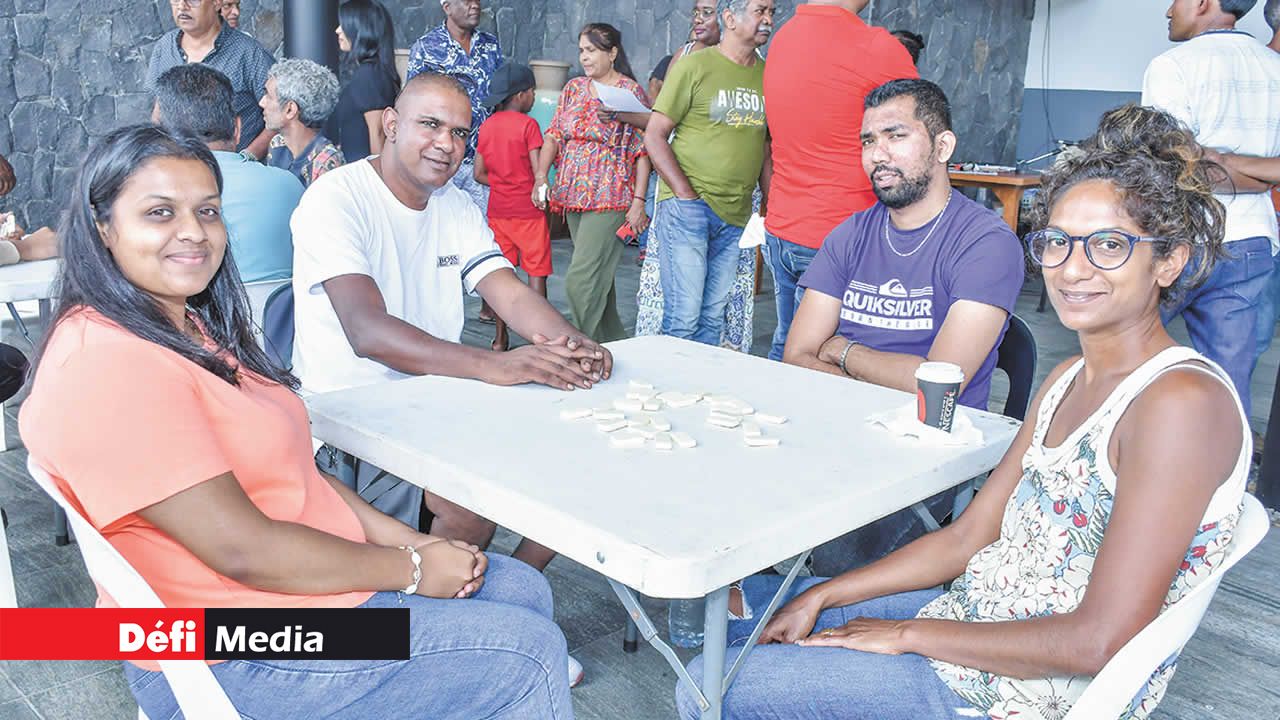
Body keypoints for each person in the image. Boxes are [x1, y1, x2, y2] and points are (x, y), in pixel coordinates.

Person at [678, 103, 1249, 720]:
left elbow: (1098, 640)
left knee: (711, 686)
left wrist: (905, 636)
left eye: (1109, 245)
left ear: (1170, 260)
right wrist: (825, 593)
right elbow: (972, 535)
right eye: (1057, 241)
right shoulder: (1068, 378)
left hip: (1023, 690)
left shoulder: (1178, 404)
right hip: (979, 613)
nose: (1072, 268)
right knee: (739, 630)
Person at [19, 124, 575, 720]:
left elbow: (295, 475)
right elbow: (243, 550)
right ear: (103, 227)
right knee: (529, 655)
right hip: (230, 645)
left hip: (282, 598)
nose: (194, 232)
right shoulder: (107, 362)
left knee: (521, 588)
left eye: (208, 211)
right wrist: (411, 570)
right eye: (160, 213)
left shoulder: (179, 327)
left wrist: (412, 540)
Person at [783, 79, 1023, 575]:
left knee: (830, 557)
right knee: (738, 499)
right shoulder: (851, 234)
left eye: (895, 136)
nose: (877, 154)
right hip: (836, 432)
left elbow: (939, 386)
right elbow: (798, 355)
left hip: (929, 457)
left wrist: (844, 351)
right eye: (868, 141)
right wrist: (887, 378)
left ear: (942, 146)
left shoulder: (985, 242)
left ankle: (769, 621)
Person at [1141, 0, 1280, 416]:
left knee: (1122, 353)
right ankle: (1218, 472)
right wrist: (1261, 181)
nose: (1168, 10)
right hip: (1252, 241)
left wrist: (1215, 160)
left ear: (1203, 2)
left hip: (1179, 239)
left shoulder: (1173, 65)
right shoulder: (1274, 68)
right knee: (1228, 380)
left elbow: (1174, 167)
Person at [761, 0, 919, 360]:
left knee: (788, 345)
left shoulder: (783, 37)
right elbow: (919, 132)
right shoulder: (879, 48)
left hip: (783, 226)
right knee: (823, 361)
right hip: (840, 233)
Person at [645, 0, 774, 345]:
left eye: (771, 12)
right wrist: (685, 195)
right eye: (760, 10)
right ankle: (669, 393)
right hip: (689, 210)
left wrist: (769, 207)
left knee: (711, 319)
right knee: (684, 318)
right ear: (730, 18)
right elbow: (654, 135)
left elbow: (764, 146)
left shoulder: (768, 75)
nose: (768, 19)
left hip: (736, 215)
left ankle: (696, 395)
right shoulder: (695, 66)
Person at [532, 24, 650, 344]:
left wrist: (638, 203)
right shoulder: (573, 88)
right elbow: (554, 134)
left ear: (612, 53)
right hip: (572, 197)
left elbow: (642, 151)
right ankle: (615, 346)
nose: (585, 57)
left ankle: (581, 348)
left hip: (610, 198)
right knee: (601, 282)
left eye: (592, 50)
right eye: (582, 50)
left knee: (580, 281)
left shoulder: (629, 92)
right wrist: (542, 177)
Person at [153, 64, 303, 285]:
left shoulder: (157, 200)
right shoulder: (291, 185)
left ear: (163, 137)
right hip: (285, 317)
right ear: (237, 128)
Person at [475, 63, 550, 352]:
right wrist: (534, 185)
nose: (533, 97)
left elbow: (478, 174)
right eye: (532, 91)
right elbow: (537, 171)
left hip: (498, 212)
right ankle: (539, 338)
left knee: (503, 274)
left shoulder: (488, 125)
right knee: (536, 274)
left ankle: (500, 338)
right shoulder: (528, 125)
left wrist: (502, 182)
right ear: (520, 95)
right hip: (528, 213)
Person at [406, 0, 503, 212]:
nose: (475, 5)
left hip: (481, 164)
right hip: (439, 160)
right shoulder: (426, 48)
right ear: (447, 6)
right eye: (467, 1)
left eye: (477, 1)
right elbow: (412, 104)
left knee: (480, 229)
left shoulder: (491, 45)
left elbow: (500, 101)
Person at [146, 0, 276, 159]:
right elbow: (157, 110)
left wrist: (249, 157)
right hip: (177, 169)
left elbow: (280, 112)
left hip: (232, 173)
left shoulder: (250, 53)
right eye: (175, 0)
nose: (182, 6)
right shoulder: (164, 47)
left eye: (192, 0)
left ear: (217, 3)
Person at [329, 0, 401, 161]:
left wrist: (376, 182)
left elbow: (379, 135)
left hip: (367, 177)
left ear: (361, 29)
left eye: (344, 25)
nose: (338, 30)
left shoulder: (370, 75)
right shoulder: (372, 72)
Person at [263, 58, 345, 188]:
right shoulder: (277, 144)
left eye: (268, 96)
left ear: (290, 109)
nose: (261, 103)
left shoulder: (326, 162)